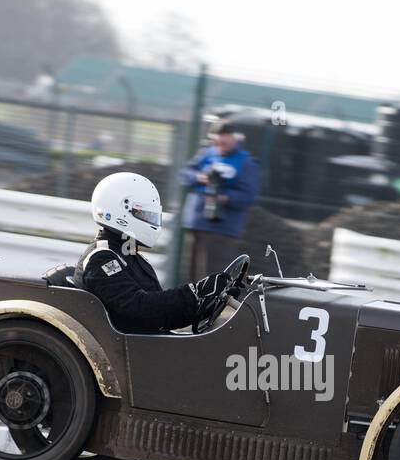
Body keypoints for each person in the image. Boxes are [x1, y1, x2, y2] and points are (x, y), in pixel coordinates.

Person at [44, 172, 237, 333]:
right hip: (132, 353)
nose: (150, 220)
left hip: (150, 347)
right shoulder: (101, 258)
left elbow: (163, 316)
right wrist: (193, 292)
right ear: (122, 211)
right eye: (145, 215)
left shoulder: (131, 257)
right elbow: (138, 307)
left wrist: (204, 302)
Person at [179, 120, 259, 282]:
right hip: (197, 224)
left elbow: (249, 196)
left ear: (234, 138)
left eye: (225, 137)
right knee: (190, 277)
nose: (221, 142)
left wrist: (224, 198)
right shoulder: (207, 153)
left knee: (213, 279)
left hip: (222, 229)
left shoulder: (245, 162)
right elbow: (185, 174)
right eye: (218, 138)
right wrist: (200, 178)